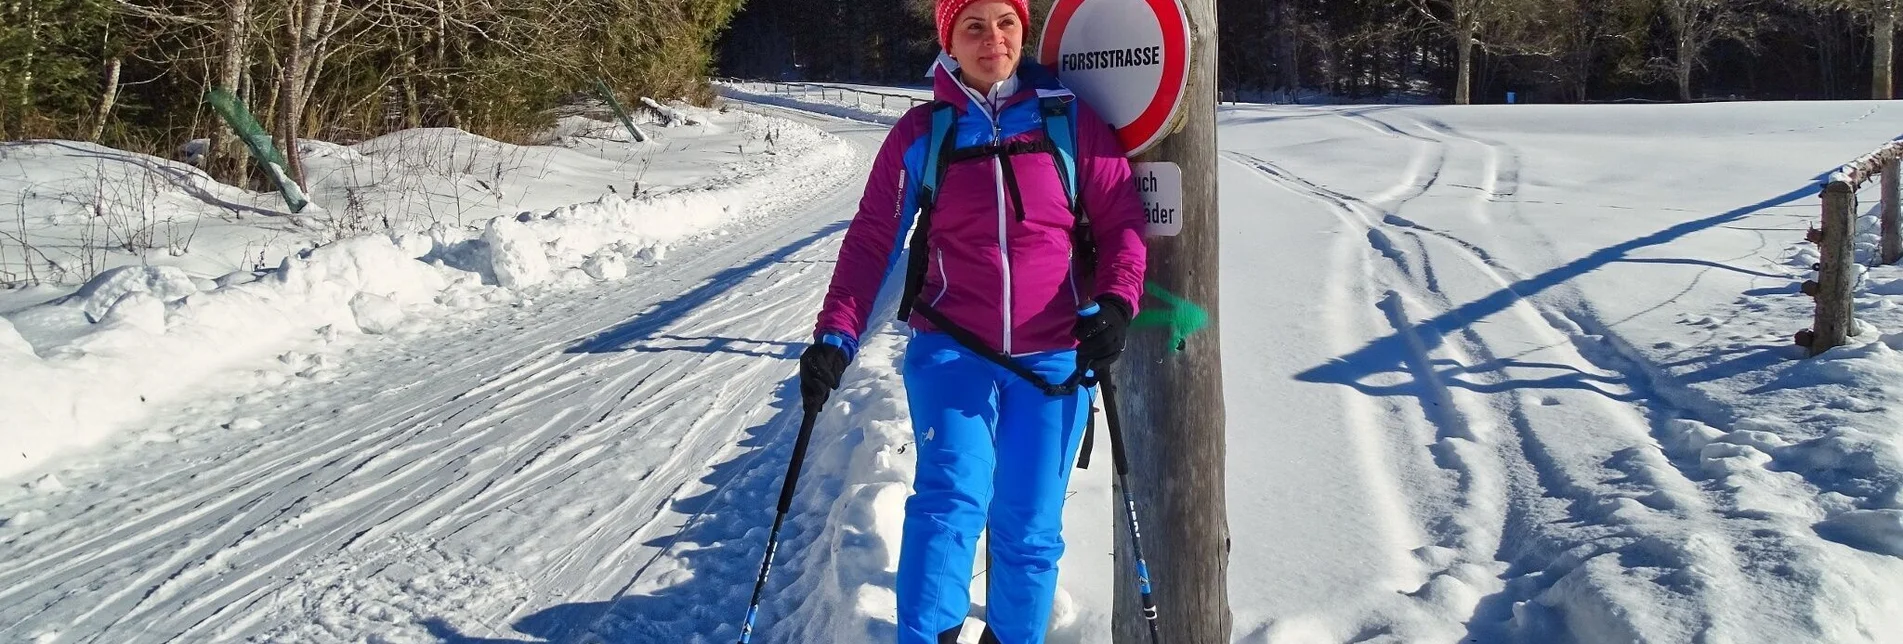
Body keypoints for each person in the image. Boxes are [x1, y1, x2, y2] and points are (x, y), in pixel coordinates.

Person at [798, 0, 1149, 642]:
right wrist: (834, 335)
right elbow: (874, 240)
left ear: (1024, 31)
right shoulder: (922, 133)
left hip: (1054, 360)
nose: (993, 39)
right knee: (947, 508)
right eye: (974, 26)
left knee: (1031, 527)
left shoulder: (1066, 119)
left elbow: (1123, 216)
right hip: (952, 351)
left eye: (1006, 23)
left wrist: (1119, 301)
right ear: (949, 40)